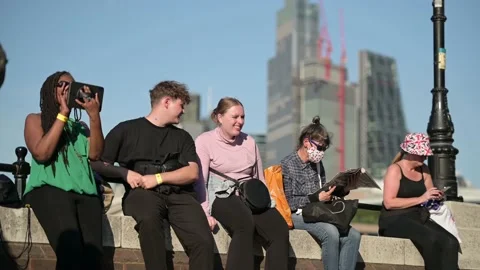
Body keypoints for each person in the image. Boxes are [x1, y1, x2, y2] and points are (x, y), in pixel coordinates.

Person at [95, 80, 214, 270]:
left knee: (204, 242)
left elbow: (192, 172)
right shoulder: (125, 130)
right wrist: (124, 173)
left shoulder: (182, 137)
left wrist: (158, 178)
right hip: (141, 193)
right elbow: (98, 164)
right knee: (150, 222)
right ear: (166, 102)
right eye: (181, 105)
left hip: (180, 196)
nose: (183, 111)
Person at [195, 97, 289, 270]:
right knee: (244, 223)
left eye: (243, 117)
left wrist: (269, 205)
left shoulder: (250, 142)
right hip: (221, 195)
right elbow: (200, 181)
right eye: (235, 117)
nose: (240, 121)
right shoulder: (204, 141)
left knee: (280, 229)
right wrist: (205, 212)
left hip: (250, 195)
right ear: (220, 117)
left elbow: (259, 178)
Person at [23, 71, 105, 270]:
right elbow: (42, 153)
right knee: (70, 253)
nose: (67, 88)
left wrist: (94, 116)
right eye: (61, 84)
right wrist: (63, 114)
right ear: (50, 90)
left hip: (86, 194)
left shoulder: (81, 127)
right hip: (49, 191)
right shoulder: (35, 119)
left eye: (72, 85)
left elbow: (95, 154)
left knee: (93, 260)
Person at [281, 116, 361, 270]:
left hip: (317, 212)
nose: (321, 153)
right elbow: (288, 202)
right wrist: (315, 198)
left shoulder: (318, 165)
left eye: (324, 149)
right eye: (319, 147)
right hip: (296, 214)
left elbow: (322, 192)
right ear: (306, 142)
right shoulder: (288, 165)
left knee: (354, 235)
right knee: (330, 233)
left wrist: (341, 190)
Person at [378, 132, 459, 270]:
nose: (425, 157)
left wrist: (436, 196)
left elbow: (429, 194)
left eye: (425, 154)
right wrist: (422, 198)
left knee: (451, 242)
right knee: (431, 240)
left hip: (418, 216)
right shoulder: (395, 170)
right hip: (394, 219)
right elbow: (389, 203)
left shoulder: (424, 170)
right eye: (422, 154)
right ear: (410, 153)